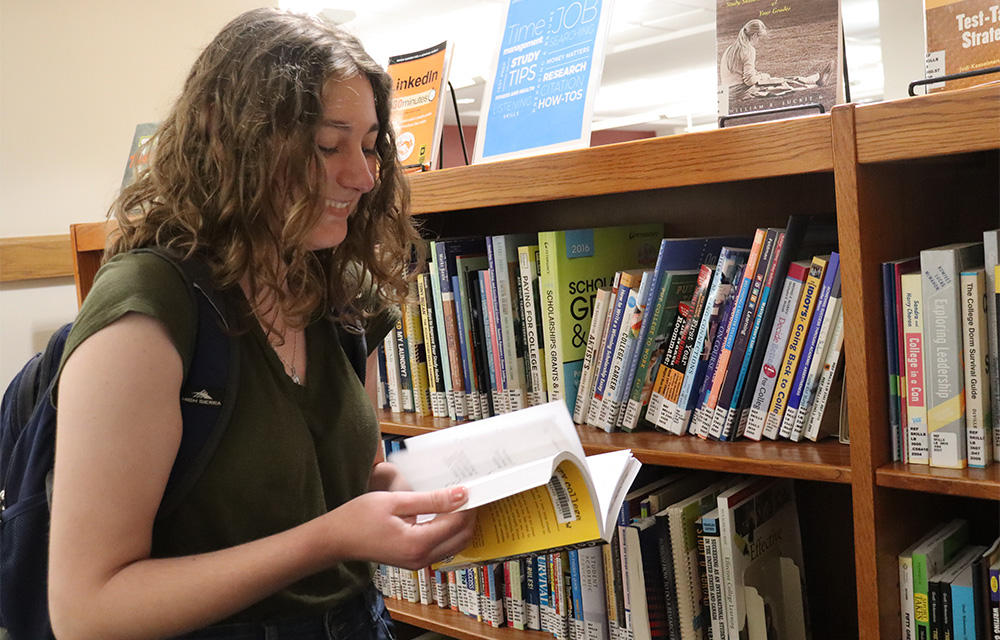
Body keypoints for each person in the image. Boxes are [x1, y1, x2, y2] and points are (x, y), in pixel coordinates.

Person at [49, 8, 476, 640]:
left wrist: (439, 493)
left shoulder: (338, 291)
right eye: (329, 146)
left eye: (368, 146)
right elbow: (88, 612)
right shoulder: (148, 310)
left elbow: (349, 482)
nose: (361, 177)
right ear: (238, 142)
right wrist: (329, 539)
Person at [719, 19, 775, 96]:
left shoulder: (730, 48)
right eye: (759, 37)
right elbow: (750, 81)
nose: (758, 41)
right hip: (738, 91)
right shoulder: (748, 49)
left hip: (726, 91)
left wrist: (756, 74)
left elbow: (739, 71)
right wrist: (763, 76)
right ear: (755, 35)